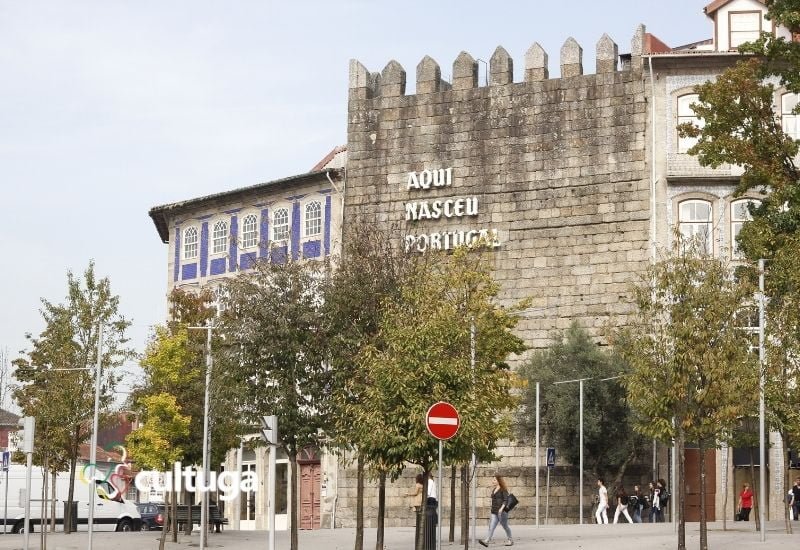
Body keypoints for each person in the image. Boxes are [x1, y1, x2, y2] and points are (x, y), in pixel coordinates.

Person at [478, 475, 513, 547]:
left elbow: (505, 500)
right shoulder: (494, 489)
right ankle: (486, 541)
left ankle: (510, 540)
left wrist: (501, 508)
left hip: (502, 512)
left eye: (494, 480)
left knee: (505, 526)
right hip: (494, 511)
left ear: (498, 481)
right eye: (493, 480)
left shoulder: (503, 489)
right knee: (491, 526)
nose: (492, 481)